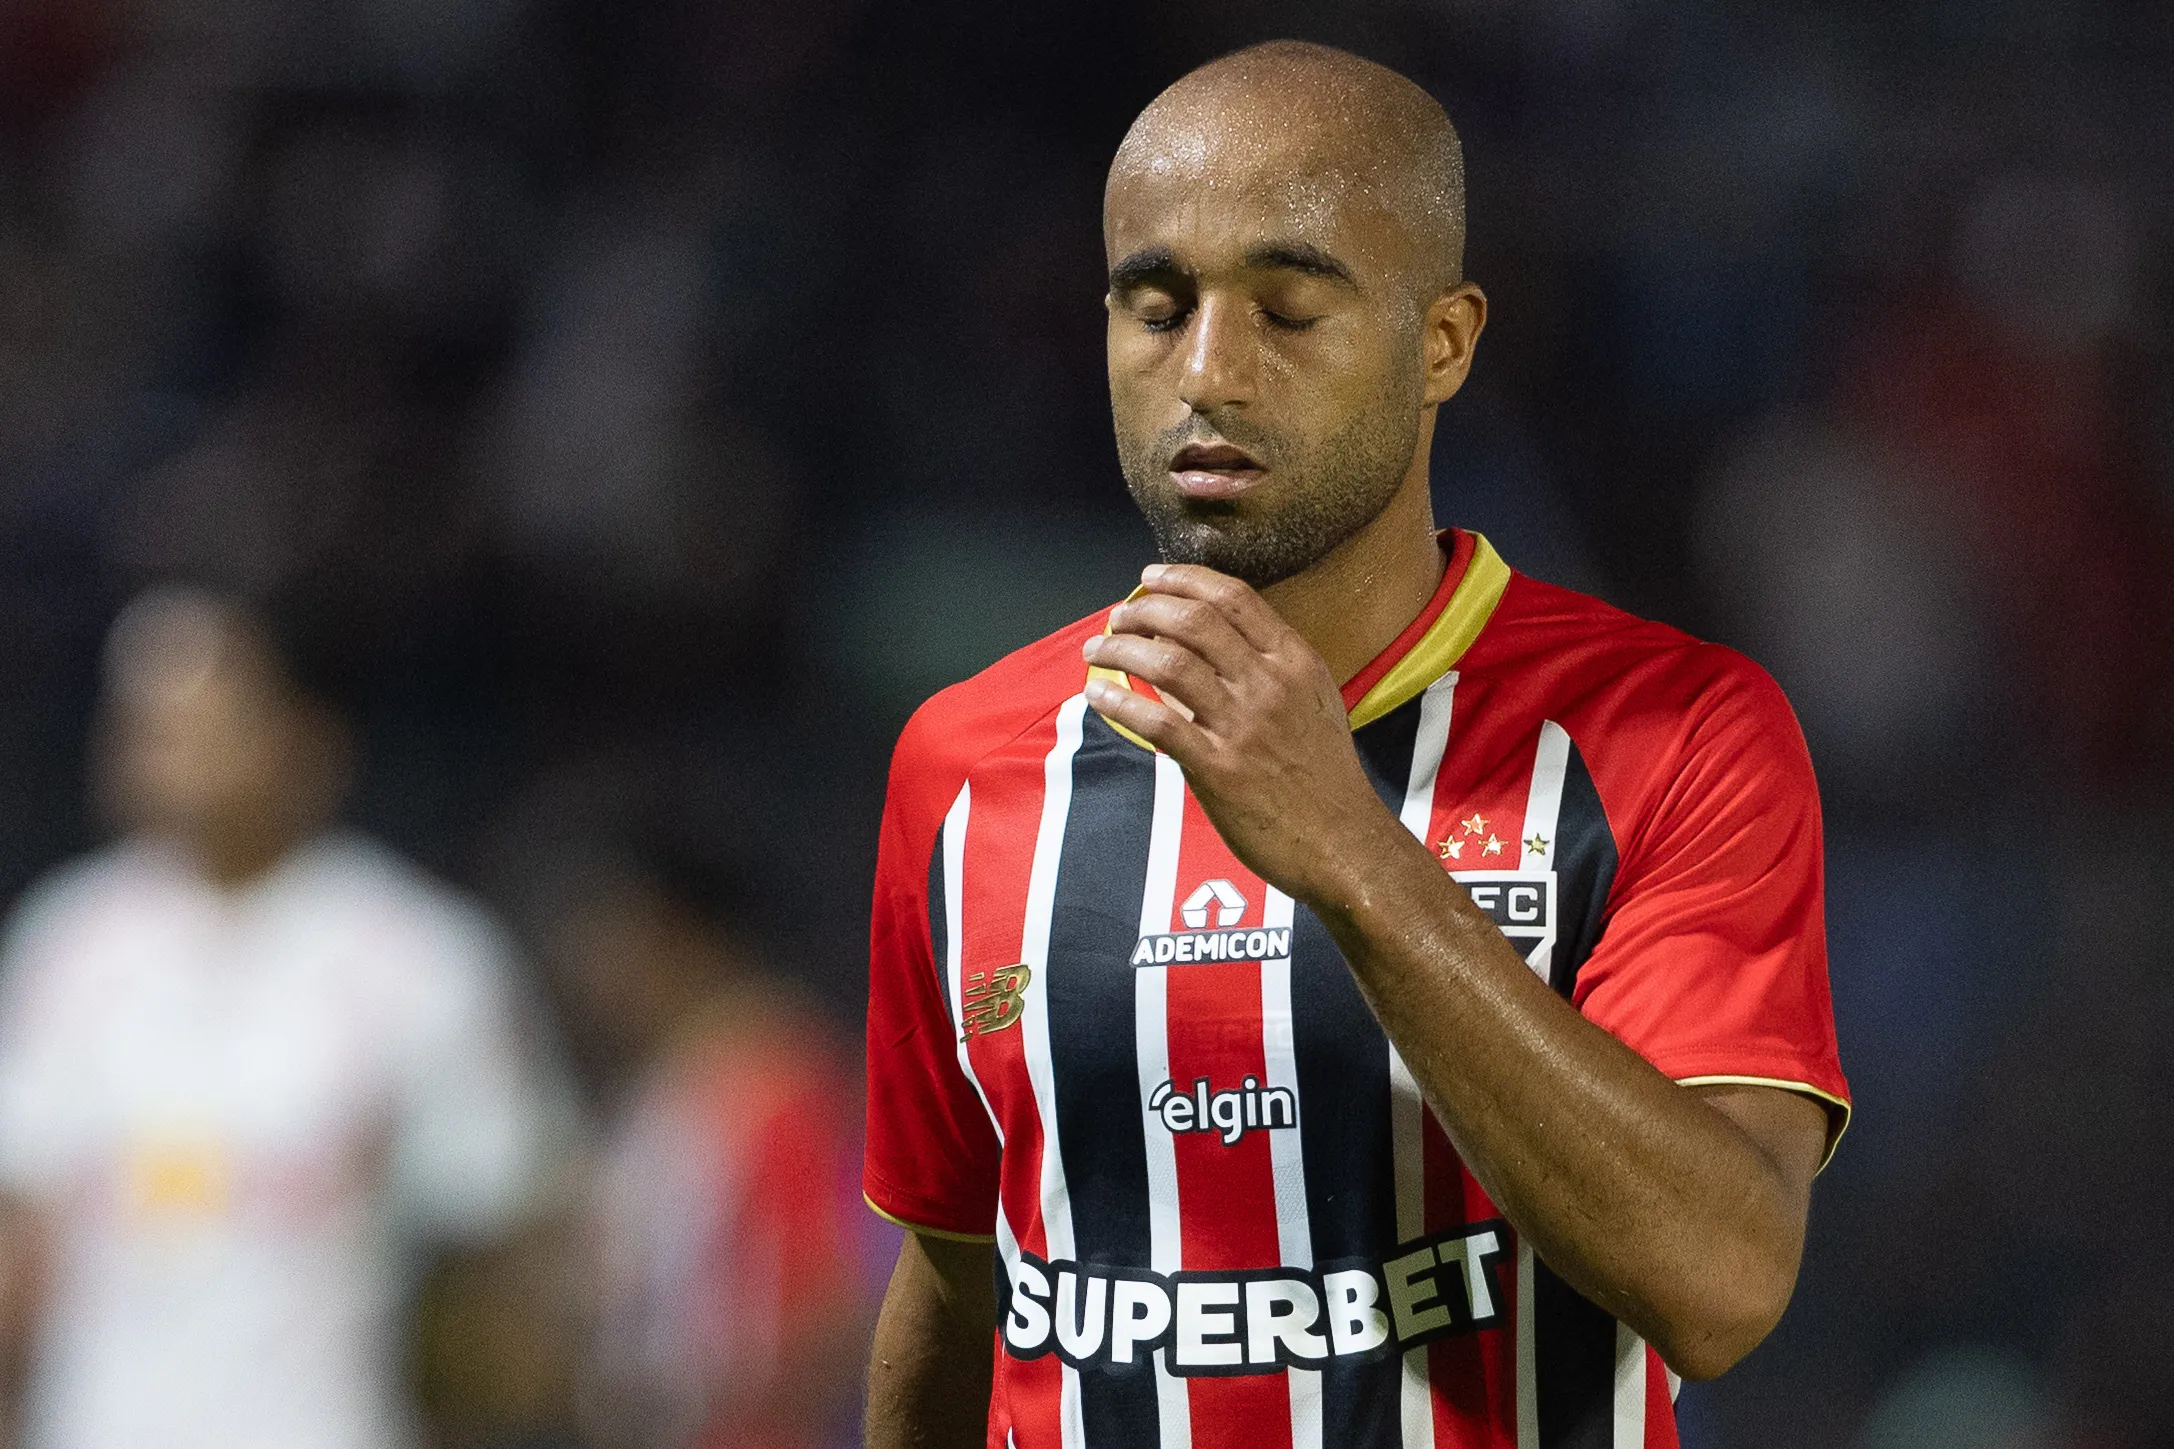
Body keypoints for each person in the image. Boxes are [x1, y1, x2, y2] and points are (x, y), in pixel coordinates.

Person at [861, 41, 1848, 1449]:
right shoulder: (964, 761)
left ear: (1441, 341)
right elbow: (962, 1278)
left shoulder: (1673, 731)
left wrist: (1348, 850)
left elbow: (1722, 1280)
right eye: (1155, 306)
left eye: (1286, 308)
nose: (1205, 370)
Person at [0, 588, 570, 1449]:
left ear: (307, 739)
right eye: (146, 720)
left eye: (209, 717)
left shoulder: (416, 953)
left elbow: (505, 1245)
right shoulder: (66, 944)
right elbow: (24, 1237)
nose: (168, 750)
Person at [532, 837, 878, 1449]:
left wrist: (683, 1386)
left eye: (611, 936)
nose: (587, 971)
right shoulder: (656, 1090)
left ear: (681, 933)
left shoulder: (780, 1085)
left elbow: (833, 1310)